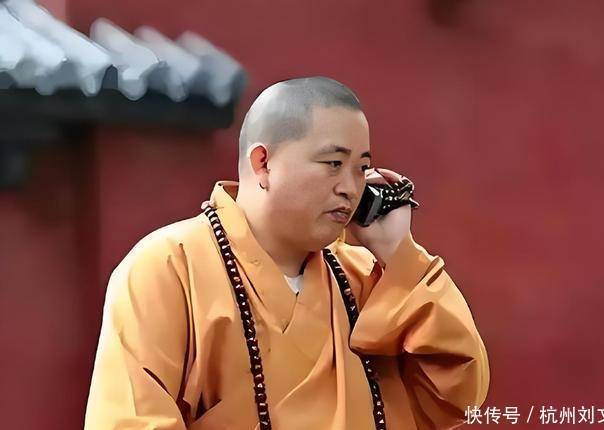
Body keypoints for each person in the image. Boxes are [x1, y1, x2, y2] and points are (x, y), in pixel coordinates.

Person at [84, 76, 490, 430]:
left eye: (360, 168)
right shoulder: (167, 268)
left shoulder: (365, 280)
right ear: (263, 163)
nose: (350, 188)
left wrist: (398, 253)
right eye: (333, 163)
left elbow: (458, 396)